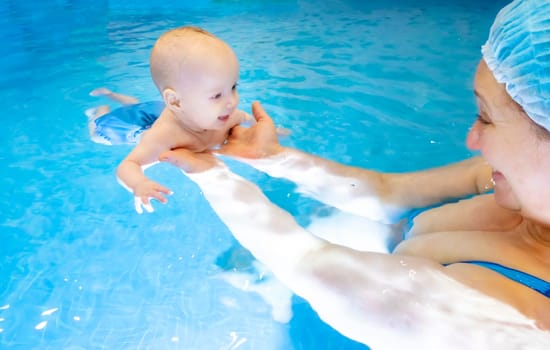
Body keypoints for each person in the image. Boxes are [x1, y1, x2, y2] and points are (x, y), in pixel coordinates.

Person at [159, 0, 550, 348]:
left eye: (486, 118)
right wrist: (273, 158)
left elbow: (309, 266)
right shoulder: (516, 179)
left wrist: (213, 177)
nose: (472, 138)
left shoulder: (498, 322)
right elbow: (387, 194)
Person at [92, 26, 250, 214]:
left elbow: (248, 119)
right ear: (175, 101)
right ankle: (99, 111)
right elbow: (127, 165)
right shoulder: (163, 137)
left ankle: (113, 95)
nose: (232, 101)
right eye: (217, 96)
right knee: (96, 132)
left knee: (136, 107)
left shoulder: (226, 113)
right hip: (126, 127)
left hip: (158, 111)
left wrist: (271, 131)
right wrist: (139, 184)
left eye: (233, 87)